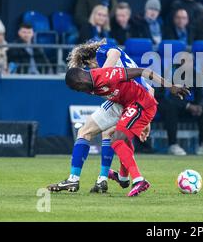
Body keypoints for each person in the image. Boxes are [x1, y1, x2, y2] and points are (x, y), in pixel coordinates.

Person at [49, 64, 189, 197]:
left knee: (116, 139)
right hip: (124, 104)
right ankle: (115, 177)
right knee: (97, 133)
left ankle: (139, 180)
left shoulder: (107, 75)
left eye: (76, 88)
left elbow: (142, 71)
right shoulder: (89, 84)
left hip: (141, 103)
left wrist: (170, 87)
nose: (79, 91)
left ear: (80, 80)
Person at [49, 40, 153, 194]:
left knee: (89, 132)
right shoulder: (117, 68)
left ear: (89, 60)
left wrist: (103, 73)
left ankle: (78, 179)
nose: (90, 70)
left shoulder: (103, 51)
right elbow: (150, 88)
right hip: (131, 100)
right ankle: (104, 179)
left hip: (130, 100)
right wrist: (147, 120)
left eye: (88, 67)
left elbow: (115, 52)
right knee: (101, 133)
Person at [157, 52, 203, 156]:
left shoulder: (195, 74)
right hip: (168, 106)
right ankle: (173, 145)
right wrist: (188, 106)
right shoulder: (170, 73)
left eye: (191, 61)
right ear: (180, 63)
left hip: (186, 107)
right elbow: (168, 96)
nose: (190, 64)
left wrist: (199, 105)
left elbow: (200, 93)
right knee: (171, 106)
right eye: (187, 61)